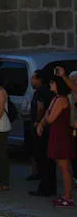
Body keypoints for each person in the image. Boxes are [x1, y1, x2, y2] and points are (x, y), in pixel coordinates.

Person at [37, 75, 75, 207]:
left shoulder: (61, 100)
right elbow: (48, 114)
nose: (51, 84)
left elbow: (50, 117)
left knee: (65, 168)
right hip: (57, 133)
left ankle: (68, 197)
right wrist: (42, 122)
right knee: (61, 166)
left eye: (53, 82)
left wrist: (45, 119)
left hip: (62, 134)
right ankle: (65, 195)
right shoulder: (56, 98)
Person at [29, 70, 56, 197]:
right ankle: (50, 186)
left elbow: (40, 107)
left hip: (42, 128)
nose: (31, 80)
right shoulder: (49, 92)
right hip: (46, 128)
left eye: (33, 78)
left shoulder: (40, 92)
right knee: (48, 159)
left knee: (42, 158)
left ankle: (45, 187)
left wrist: (37, 122)